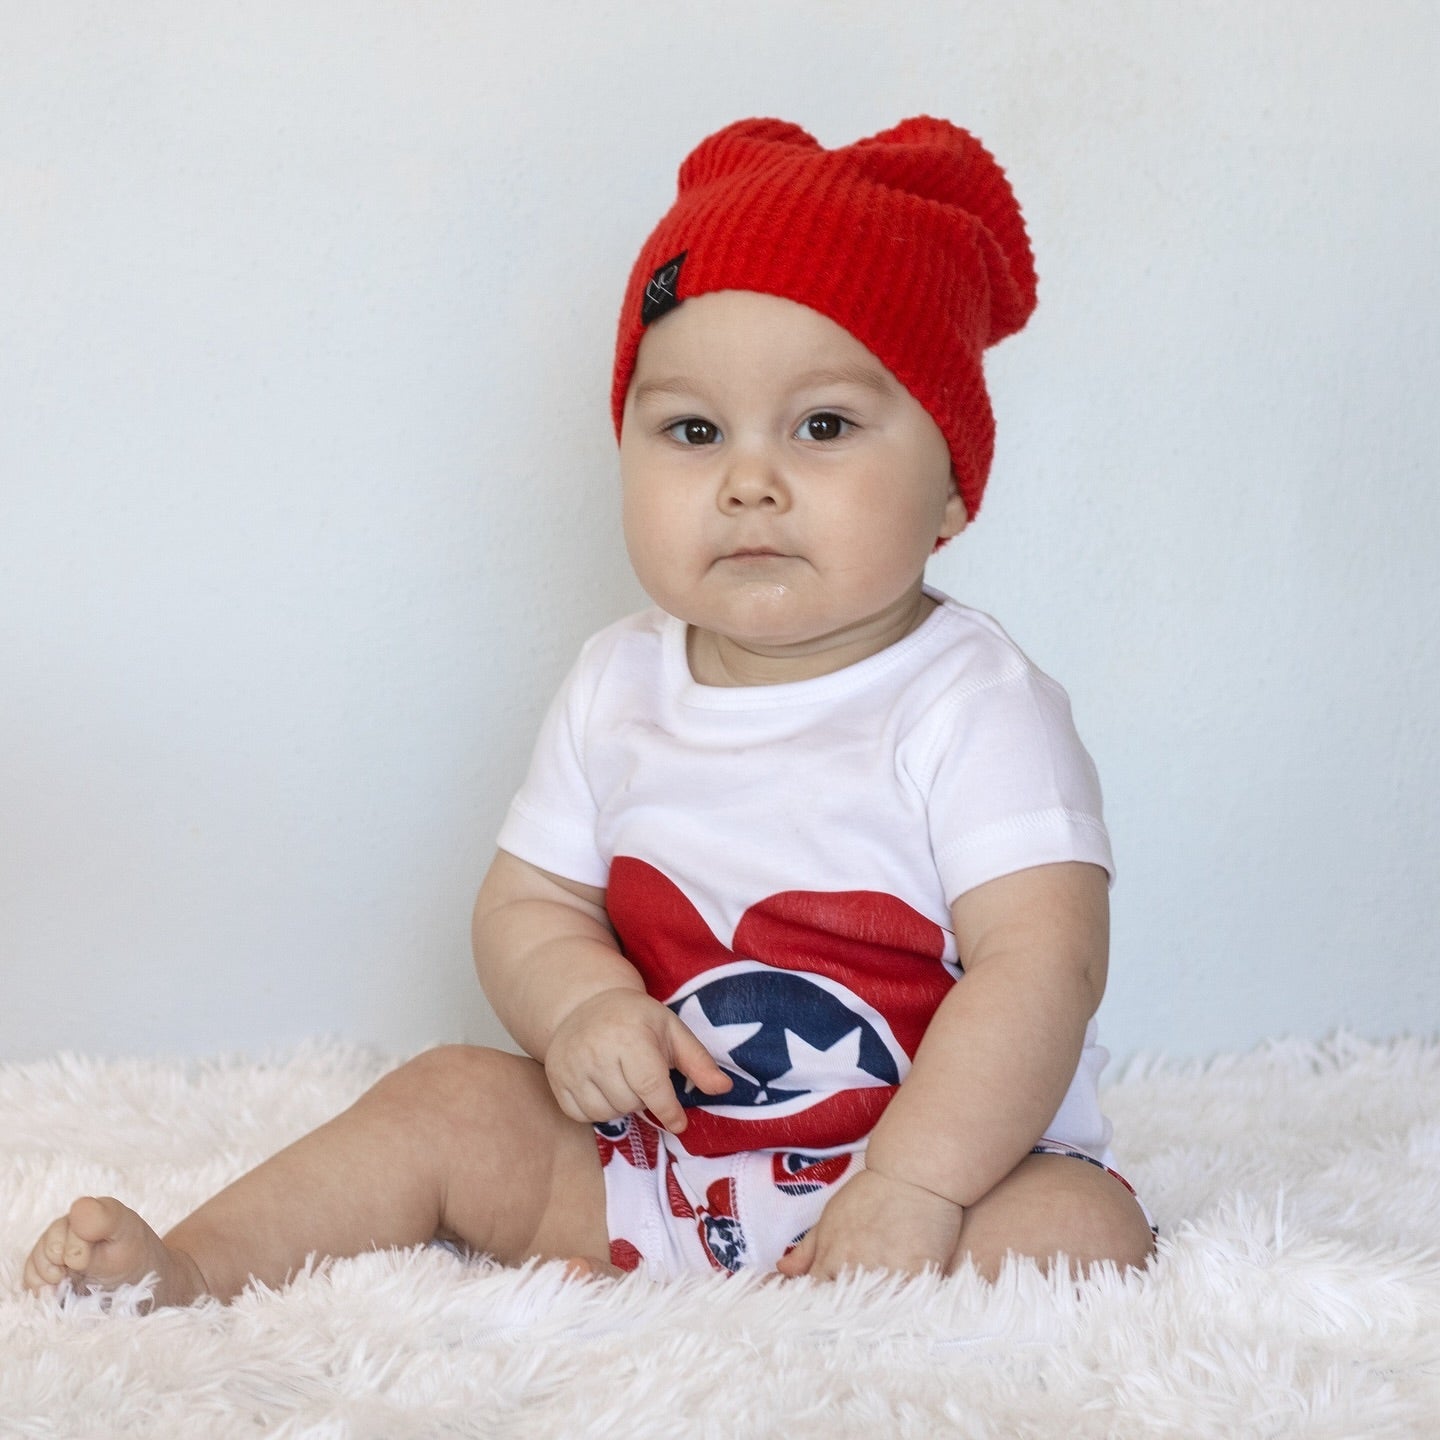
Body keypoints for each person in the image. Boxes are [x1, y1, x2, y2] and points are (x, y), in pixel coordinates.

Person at [23, 116, 1155, 1304]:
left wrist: (916, 1184)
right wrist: (584, 1004)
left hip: (926, 1177)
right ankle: (193, 1270)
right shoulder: (619, 683)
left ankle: (832, 1300)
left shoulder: (975, 703)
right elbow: (529, 900)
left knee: (1083, 1231)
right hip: (660, 1168)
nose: (748, 478)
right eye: (692, 430)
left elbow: (1043, 967)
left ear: (952, 494)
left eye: (823, 426)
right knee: (448, 1096)